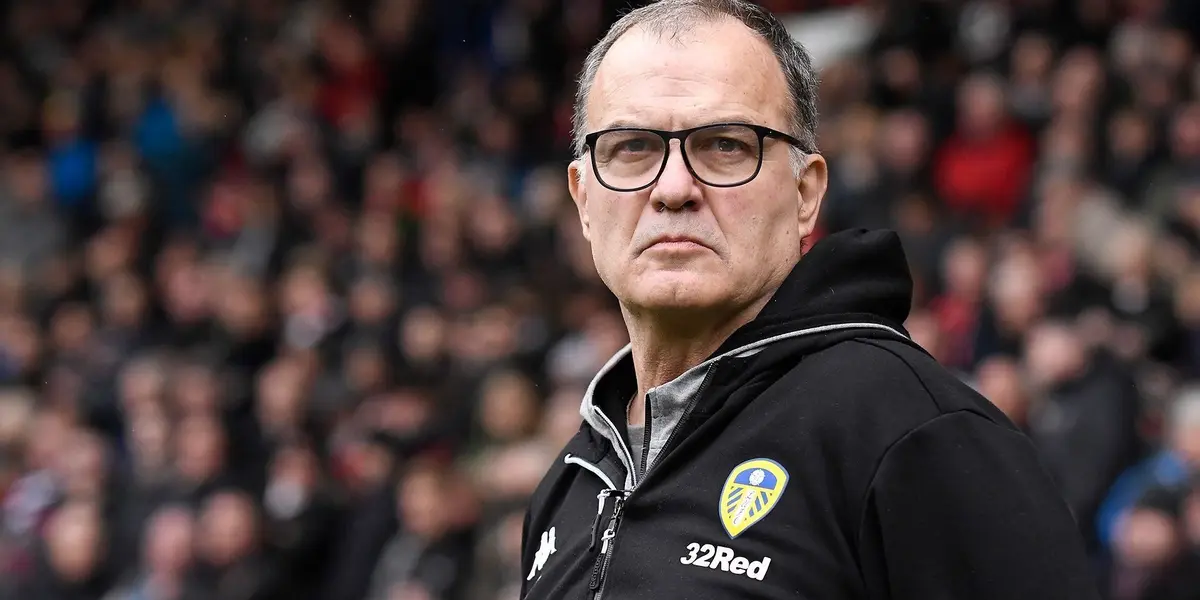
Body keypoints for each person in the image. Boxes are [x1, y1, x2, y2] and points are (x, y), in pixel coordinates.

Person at [519, 1, 1100, 599]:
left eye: (725, 145)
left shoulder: (915, 434)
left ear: (806, 193)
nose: (672, 189)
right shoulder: (569, 483)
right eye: (632, 147)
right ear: (583, 199)